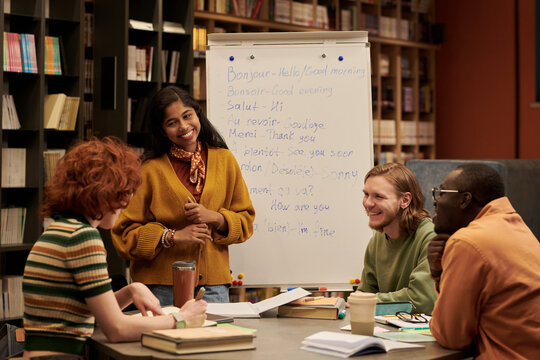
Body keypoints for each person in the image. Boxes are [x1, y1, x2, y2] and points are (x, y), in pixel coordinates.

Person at [22, 138, 207, 359]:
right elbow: (116, 329)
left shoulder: (58, 230)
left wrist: (130, 290)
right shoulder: (83, 237)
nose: (127, 202)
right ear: (104, 193)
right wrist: (181, 318)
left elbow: (93, 311)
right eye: (124, 192)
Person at [112, 86, 255, 305]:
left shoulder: (225, 160)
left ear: (198, 114)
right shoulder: (149, 169)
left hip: (213, 288)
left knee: (214, 340)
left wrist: (216, 218)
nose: (184, 126)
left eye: (187, 116)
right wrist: (171, 236)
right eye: (172, 122)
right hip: (160, 288)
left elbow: (246, 220)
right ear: (162, 130)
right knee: (162, 340)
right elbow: (123, 236)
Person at [428, 164, 540, 359]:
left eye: (441, 193)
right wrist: (440, 274)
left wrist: (439, 274)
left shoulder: (467, 241)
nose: (436, 202)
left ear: (464, 200)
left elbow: (451, 336)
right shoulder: (517, 227)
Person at [358, 163, 437, 315]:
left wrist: (369, 301)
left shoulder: (430, 237)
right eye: (366, 194)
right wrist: (364, 300)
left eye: (378, 196)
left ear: (405, 200)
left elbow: (422, 301)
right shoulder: (377, 241)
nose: (367, 203)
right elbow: (363, 296)